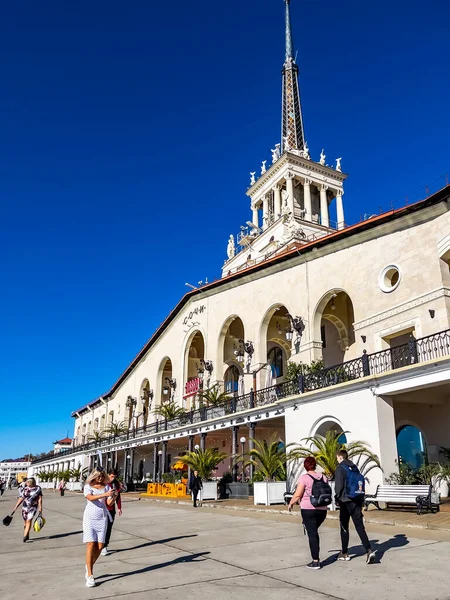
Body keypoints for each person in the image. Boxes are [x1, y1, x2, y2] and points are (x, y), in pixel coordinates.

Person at [335, 449, 376, 564]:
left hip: (345, 501)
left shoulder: (340, 468)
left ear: (340, 457)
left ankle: (344, 553)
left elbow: (338, 487)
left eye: (337, 457)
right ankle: (369, 550)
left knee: (344, 527)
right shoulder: (354, 467)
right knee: (359, 526)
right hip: (356, 501)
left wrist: (337, 498)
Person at [288, 456, 329, 570]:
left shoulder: (304, 478)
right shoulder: (323, 477)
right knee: (314, 532)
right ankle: (315, 557)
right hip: (322, 510)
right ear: (315, 465)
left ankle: (315, 561)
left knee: (312, 534)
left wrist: (291, 503)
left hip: (308, 509)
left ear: (305, 466)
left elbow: (298, 494)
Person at [83, 467, 116, 587]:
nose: (100, 478)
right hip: (89, 517)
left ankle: (88, 565)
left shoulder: (107, 487)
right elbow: (90, 498)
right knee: (91, 543)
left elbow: (108, 503)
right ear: (93, 476)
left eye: (102, 476)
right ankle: (90, 575)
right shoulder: (88, 486)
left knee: (101, 546)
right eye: (98, 476)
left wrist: (113, 497)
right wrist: (105, 494)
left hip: (102, 518)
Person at [11, 478, 43, 543]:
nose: (26, 483)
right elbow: (21, 497)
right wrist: (16, 507)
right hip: (25, 507)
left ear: (32, 483)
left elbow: (40, 498)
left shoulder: (38, 489)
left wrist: (40, 507)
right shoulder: (25, 488)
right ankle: (27, 534)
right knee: (25, 521)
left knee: (29, 520)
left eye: (28, 482)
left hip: (33, 507)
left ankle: (25, 537)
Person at [101, 467, 123, 556]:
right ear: (108, 475)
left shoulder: (116, 484)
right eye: (112, 476)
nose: (113, 478)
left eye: (114, 476)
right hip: (102, 509)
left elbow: (118, 496)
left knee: (109, 528)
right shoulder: (103, 483)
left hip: (111, 509)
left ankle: (104, 546)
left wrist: (119, 507)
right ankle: (98, 545)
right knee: (102, 528)